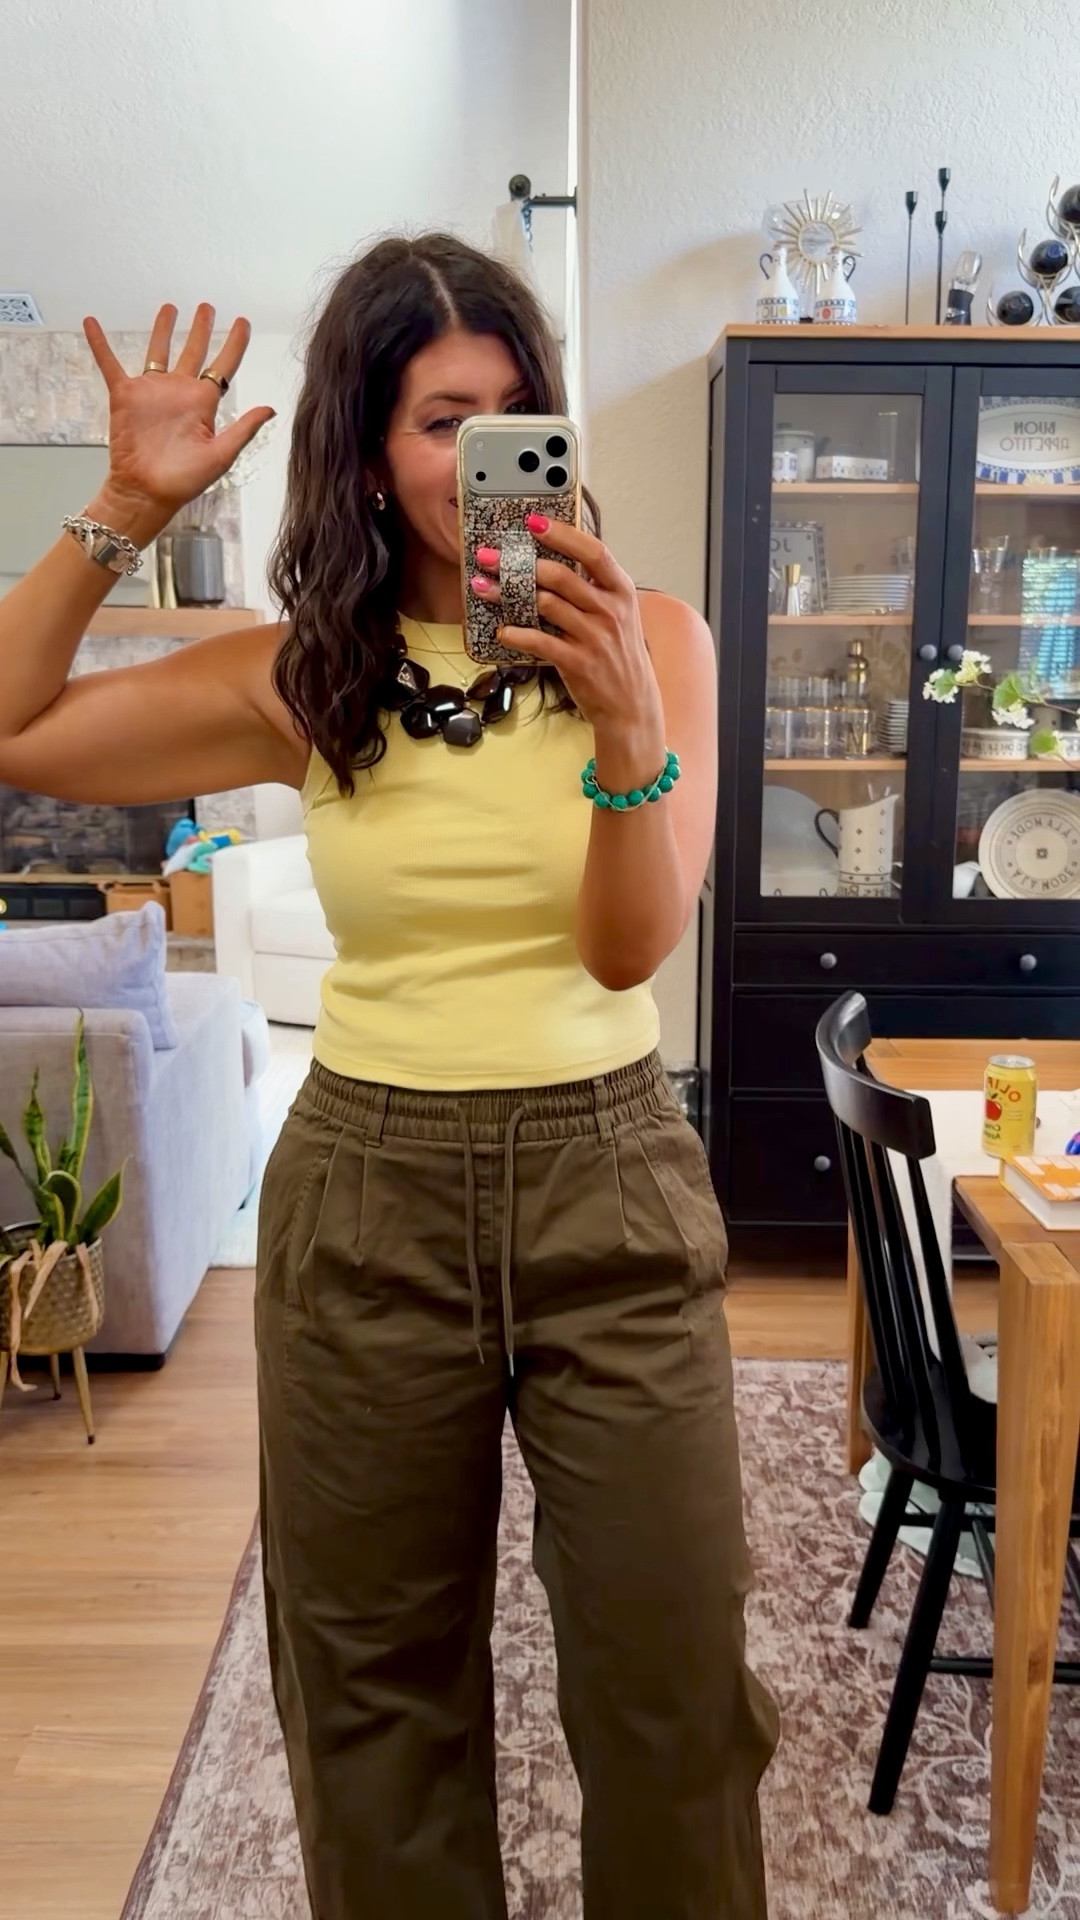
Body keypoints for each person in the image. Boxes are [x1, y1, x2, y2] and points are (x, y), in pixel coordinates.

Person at [0, 233, 778, 1918]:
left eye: (513, 414)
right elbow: (7, 725)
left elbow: (628, 954)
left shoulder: (656, 642)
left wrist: (627, 725)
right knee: (372, 1698)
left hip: (612, 1185)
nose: (481, 455)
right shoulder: (309, 675)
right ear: (365, 448)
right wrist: (120, 510)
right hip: (367, 1195)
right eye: (441, 421)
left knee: (675, 1696)